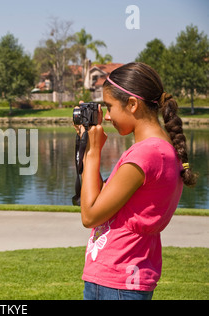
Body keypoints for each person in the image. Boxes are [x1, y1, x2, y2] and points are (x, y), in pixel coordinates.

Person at [76, 62, 197, 300]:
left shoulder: (147, 154)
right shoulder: (160, 150)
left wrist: (92, 152)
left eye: (110, 107)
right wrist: (88, 146)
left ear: (132, 104)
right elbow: (103, 204)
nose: (107, 116)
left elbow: (90, 216)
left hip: (116, 281)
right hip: (123, 278)